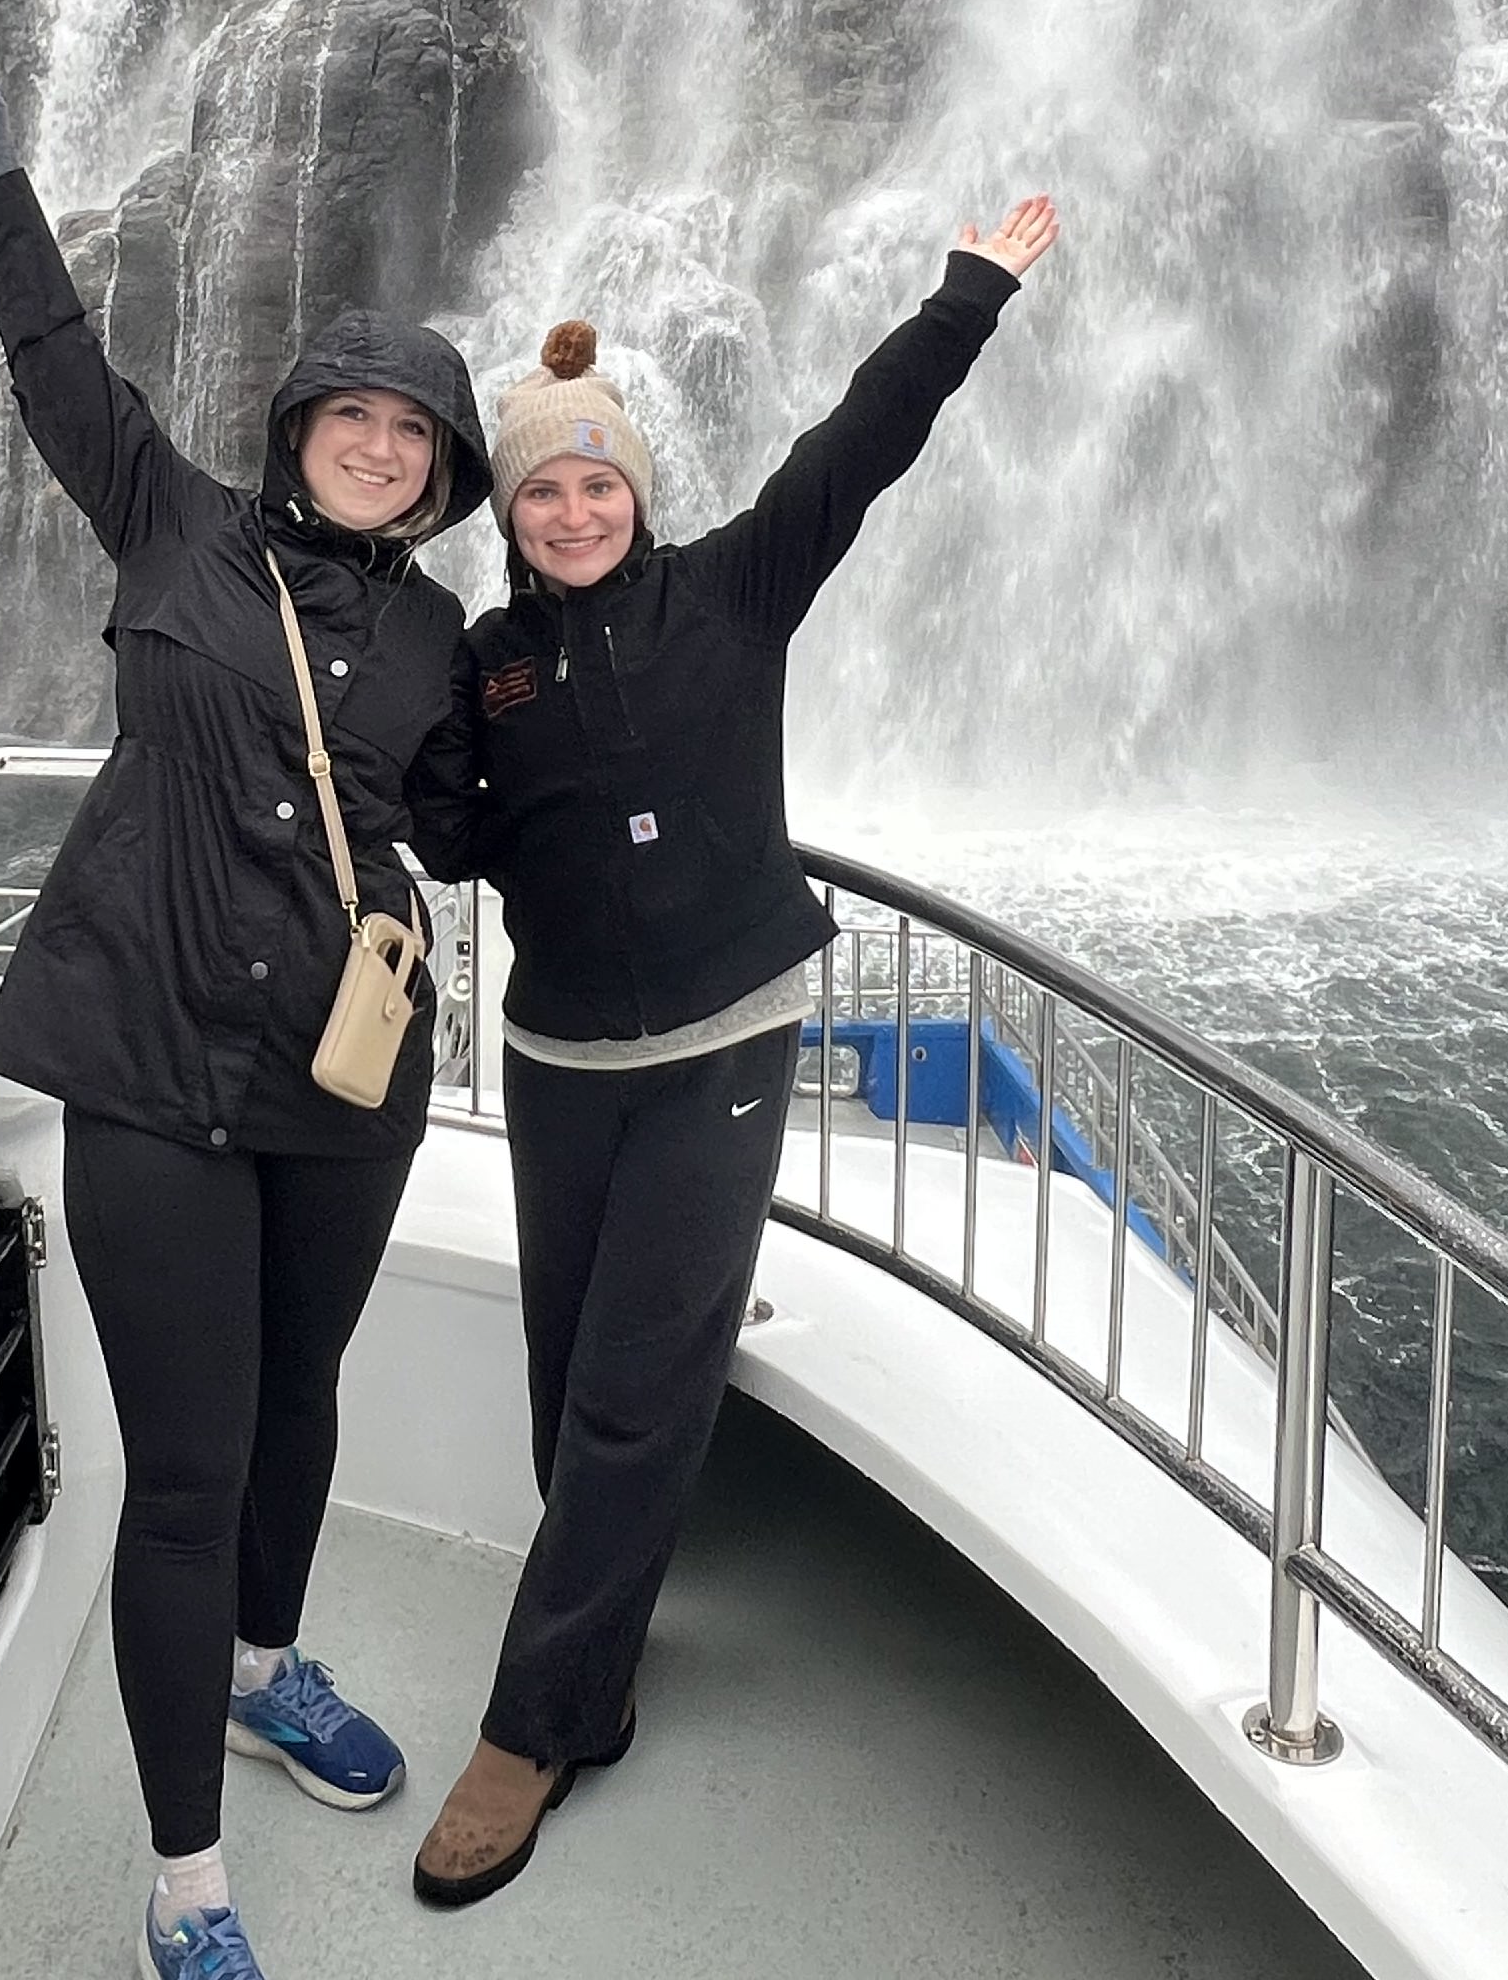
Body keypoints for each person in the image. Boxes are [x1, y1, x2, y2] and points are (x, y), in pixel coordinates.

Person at [0, 7, 493, 1980]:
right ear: (302, 424)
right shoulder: (166, 520)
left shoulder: (442, 636)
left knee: (302, 1400)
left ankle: (267, 1667)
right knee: (190, 1467)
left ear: (438, 477)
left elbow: (501, 815)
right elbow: (53, 358)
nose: (381, 449)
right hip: (147, 1064)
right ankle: (185, 1885)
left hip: (344, 1078)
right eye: (357, 419)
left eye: (415, 438)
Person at [402, 193, 1060, 1906]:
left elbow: (862, 444)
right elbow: (464, 837)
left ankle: (534, 1727)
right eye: (540, 489)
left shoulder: (735, 591)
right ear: (512, 516)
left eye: (595, 480)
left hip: (729, 1042)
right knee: (571, 1378)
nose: (570, 509)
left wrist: (968, 296)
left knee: (631, 1388)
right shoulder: (487, 664)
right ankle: (597, 1660)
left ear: (636, 488)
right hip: (558, 1058)